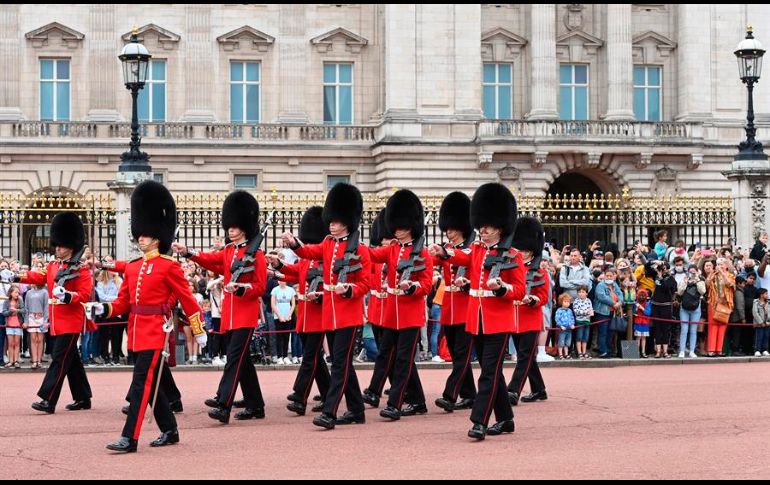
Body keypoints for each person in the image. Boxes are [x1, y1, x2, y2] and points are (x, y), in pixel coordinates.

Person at [93, 180, 207, 453]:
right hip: (136, 331)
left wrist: (198, 328)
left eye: (145, 235)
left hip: (156, 331)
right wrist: (103, 309)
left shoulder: (169, 266)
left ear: (157, 237)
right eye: (139, 235)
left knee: (141, 383)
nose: (140, 238)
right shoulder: (133, 267)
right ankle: (170, 429)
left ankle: (129, 437)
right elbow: (123, 302)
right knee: (153, 382)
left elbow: (187, 298)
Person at [429, 183, 526, 440]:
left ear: (500, 227)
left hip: (499, 321)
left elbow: (519, 290)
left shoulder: (512, 255)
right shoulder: (477, 250)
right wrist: (444, 252)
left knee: (488, 373)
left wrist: (502, 288)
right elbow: (461, 257)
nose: (482, 229)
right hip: (477, 319)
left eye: (488, 226)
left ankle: (479, 421)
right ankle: (505, 419)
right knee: (492, 372)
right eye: (481, 225)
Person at [281, 183, 371, 430]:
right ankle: (356, 410)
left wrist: (349, 289)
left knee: (340, 363)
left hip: (349, 315)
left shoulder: (360, 250)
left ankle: (329, 412)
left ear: (347, 221)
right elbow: (309, 252)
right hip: (330, 314)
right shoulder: (329, 244)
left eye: (336, 220)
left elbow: (365, 284)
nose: (331, 224)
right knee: (343, 364)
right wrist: (294, 243)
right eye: (330, 219)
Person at [174, 190, 267, 424]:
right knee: (243, 361)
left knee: (234, 358)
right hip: (230, 315)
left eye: (235, 227)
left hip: (246, 316)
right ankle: (255, 405)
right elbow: (210, 260)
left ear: (244, 228)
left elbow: (260, 287)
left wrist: (242, 289)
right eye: (229, 226)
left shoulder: (257, 254)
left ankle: (223, 403)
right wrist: (188, 252)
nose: (231, 230)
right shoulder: (228, 251)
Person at [4, 212, 94, 414]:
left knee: (59, 359)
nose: (57, 248)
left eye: (61, 245)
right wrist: (16, 277)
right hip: (57, 320)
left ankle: (48, 399)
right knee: (72, 360)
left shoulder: (80, 270)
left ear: (71, 246)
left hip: (71, 321)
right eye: (57, 245)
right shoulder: (54, 265)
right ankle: (83, 397)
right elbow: (37, 277)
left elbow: (84, 295)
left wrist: (67, 296)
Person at [366, 190, 433, 422]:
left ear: (410, 226)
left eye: (401, 226)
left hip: (410, 315)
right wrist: (352, 246)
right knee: (386, 355)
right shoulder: (393, 249)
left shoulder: (422, 253)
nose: (396, 229)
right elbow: (372, 255)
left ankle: (394, 403)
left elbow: (426, 285)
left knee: (404, 360)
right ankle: (416, 401)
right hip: (391, 314)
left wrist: (412, 287)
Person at [271, 206, 330, 416]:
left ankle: (299, 397)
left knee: (309, 357)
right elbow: (296, 273)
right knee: (316, 359)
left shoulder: (325, 258)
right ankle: (328, 394)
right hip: (304, 313)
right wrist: (278, 267)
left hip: (318, 313)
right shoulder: (306, 258)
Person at [432, 191, 477, 413]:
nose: (448, 230)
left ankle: (450, 395)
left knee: (461, 354)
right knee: (457, 355)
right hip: (449, 308)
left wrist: (445, 253)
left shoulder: (472, 248)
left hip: (466, 307)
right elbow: (430, 260)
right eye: (447, 227)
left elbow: (465, 259)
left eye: (453, 227)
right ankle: (469, 395)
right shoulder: (447, 249)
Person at [705, 258, 736, 357]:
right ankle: (711, 350)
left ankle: (719, 350)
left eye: (722, 264)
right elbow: (707, 284)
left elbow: (730, 284)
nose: (719, 266)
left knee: (722, 326)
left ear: (726, 266)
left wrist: (722, 274)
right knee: (713, 326)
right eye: (718, 264)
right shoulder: (713, 275)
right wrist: (711, 274)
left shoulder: (730, 275)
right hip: (713, 303)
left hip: (725, 304)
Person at [677, 264, 706, 358]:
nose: (692, 274)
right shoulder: (684, 280)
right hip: (684, 308)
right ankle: (682, 350)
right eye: (690, 272)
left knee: (693, 330)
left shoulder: (700, 281)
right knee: (684, 329)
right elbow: (679, 292)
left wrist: (697, 280)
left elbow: (703, 291)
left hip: (696, 308)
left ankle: (692, 351)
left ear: (697, 272)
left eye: (694, 272)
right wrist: (685, 283)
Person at [651, 262, 678, 358]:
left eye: (664, 268)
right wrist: (655, 263)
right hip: (656, 305)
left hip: (666, 306)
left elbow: (666, 287)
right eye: (662, 268)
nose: (663, 270)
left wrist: (661, 278)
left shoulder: (671, 279)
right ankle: (658, 351)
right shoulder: (655, 276)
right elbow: (647, 266)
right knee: (657, 328)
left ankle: (665, 351)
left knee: (665, 329)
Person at [271, 280, 296, 365]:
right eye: (281, 280)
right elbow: (273, 304)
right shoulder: (275, 290)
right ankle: (279, 357)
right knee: (279, 337)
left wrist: (289, 315)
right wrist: (279, 316)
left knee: (286, 337)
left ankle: (285, 356)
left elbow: (293, 304)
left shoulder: (291, 290)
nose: (283, 282)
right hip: (278, 317)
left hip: (287, 317)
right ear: (278, 281)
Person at [24, 283, 48, 369]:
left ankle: (39, 360)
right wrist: (26, 321)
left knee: (40, 340)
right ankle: (34, 361)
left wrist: (45, 320)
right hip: (31, 317)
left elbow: (46, 307)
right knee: (33, 339)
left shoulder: (44, 292)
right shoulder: (29, 292)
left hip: (41, 317)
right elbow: (26, 307)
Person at [2, 285, 25, 368]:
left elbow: (24, 310)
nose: (17, 294)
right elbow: (4, 313)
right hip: (9, 325)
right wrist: (10, 312)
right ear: (11, 293)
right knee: (10, 344)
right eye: (15, 292)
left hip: (18, 325)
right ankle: (11, 361)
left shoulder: (20, 300)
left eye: (18, 292)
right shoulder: (6, 301)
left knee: (17, 343)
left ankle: (16, 361)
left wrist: (17, 310)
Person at [573, 286, 594, 359]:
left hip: (587, 321)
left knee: (585, 338)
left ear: (586, 293)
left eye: (583, 292)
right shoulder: (576, 301)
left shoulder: (589, 301)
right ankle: (579, 353)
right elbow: (576, 311)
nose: (581, 293)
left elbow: (590, 309)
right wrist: (585, 312)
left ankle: (584, 352)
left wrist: (591, 312)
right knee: (579, 337)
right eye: (579, 292)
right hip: (579, 321)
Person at [554, 293, 575, 359]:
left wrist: (572, 324)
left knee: (567, 343)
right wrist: (561, 326)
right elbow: (557, 319)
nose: (567, 303)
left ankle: (566, 354)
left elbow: (572, 318)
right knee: (561, 342)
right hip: (562, 329)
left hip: (569, 329)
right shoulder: (559, 310)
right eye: (565, 301)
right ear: (561, 302)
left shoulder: (570, 310)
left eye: (568, 302)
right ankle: (560, 354)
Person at [752, 288, 770, 356]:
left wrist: (768, 321)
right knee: (759, 337)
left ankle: (764, 350)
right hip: (759, 324)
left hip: (767, 324)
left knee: (766, 337)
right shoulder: (756, 302)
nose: (767, 295)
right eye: (766, 294)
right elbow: (755, 313)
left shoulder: (768, 303)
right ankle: (757, 350)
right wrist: (761, 322)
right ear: (761, 295)